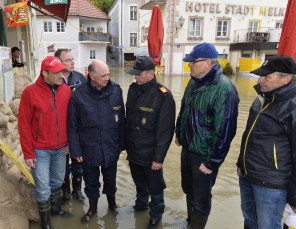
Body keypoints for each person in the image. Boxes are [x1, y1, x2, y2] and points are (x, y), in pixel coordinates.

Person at [175, 42, 239, 229]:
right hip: (187, 148)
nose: (190, 65)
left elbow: (226, 131)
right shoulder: (193, 82)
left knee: (202, 198)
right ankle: (189, 222)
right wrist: (179, 133)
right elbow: (184, 109)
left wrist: (212, 162)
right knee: (188, 189)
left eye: (193, 62)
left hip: (204, 154)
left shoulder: (225, 89)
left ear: (209, 63)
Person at [236, 55, 296, 229]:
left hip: (272, 185)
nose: (260, 80)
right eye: (261, 75)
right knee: (249, 221)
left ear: (286, 79)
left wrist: (294, 196)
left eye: (267, 76)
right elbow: (249, 134)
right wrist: (241, 162)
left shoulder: (293, 106)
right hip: (248, 175)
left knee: (267, 226)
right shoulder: (261, 98)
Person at [67, 60, 125, 223]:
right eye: (103, 75)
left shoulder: (116, 90)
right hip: (89, 147)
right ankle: (92, 208)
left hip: (110, 144)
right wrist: (76, 150)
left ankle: (112, 205)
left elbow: (121, 119)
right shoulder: (78, 94)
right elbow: (72, 125)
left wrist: (122, 144)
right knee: (91, 181)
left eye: (108, 74)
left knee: (110, 179)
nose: (107, 78)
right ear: (92, 76)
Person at [18, 56, 72, 229]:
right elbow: (24, 124)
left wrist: (70, 142)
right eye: (56, 72)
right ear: (45, 73)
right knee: (42, 188)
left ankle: (56, 211)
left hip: (61, 148)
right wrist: (28, 152)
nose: (61, 75)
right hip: (40, 150)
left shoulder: (66, 91)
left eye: (62, 71)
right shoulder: (30, 92)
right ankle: (46, 223)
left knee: (57, 181)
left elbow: (71, 120)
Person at [125, 56, 176, 226]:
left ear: (150, 73)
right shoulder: (133, 90)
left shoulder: (163, 95)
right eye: (135, 74)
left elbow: (165, 131)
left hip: (150, 154)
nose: (135, 77)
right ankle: (140, 206)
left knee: (155, 187)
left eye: (138, 74)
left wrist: (158, 159)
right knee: (139, 183)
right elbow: (129, 121)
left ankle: (156, 215)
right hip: (134, 151)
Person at [54, 49, 86, 201]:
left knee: (78, 163)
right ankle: (65, 190)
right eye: (68, 60)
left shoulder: (80, 78)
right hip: (59, 129)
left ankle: (77, 190)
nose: (73, 62)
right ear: (59, 62)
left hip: (77, 129)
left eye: (73, 59)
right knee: (62, 165)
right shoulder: (53, 80)